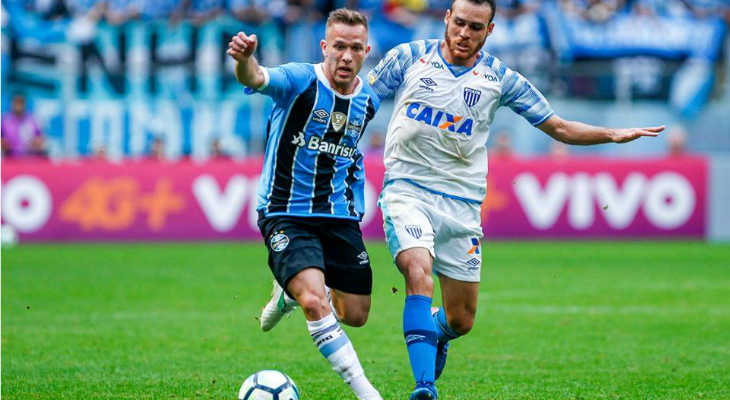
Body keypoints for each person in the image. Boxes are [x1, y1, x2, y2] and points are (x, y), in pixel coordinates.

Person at [366, 0, 664, 398]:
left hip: (461, 204)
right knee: (418, 272)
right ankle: (424, 387)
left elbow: (557, 126)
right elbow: (360, 104)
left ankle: (438, 333)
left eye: (475, 27)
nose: (464, 33)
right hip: (407, 188)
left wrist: (612, 135)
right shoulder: (408, 57)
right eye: (459, 23)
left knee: (461, 319)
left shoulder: (500, 78)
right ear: (446, 18)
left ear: (489, 31)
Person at [228, 8, 384, 400]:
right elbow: (258, 78)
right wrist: (246, 60)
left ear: (366, 50)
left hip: (338, 216)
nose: (345, 56)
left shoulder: (368, 101)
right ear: (324, 47)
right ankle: (367, 392)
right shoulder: (299, 80)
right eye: (338, 47)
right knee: (316, 301)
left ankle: (287, 290)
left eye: (354, 48)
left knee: (356, 315)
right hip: (284, 213)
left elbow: (348, 154)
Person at [0, 93, 46, 158]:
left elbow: (41, 139)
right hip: (10, 159)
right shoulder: (4, 121)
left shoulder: (33, 120)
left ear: (25, 104)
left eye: (21, 102)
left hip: (31, 158)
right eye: (16, 102)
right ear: (11, 103)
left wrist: (36, 143)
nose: (18, 105)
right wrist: (3, 144)